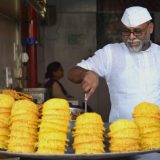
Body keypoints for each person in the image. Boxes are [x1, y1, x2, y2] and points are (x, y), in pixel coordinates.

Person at [68, 6, 160, 160]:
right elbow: (73, 73)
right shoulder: (111, 53)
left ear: (150, 28)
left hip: (153, 140)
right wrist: (88, 73)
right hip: (119, 142)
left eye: (138, 31)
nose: (131, 37)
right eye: (126, 31)